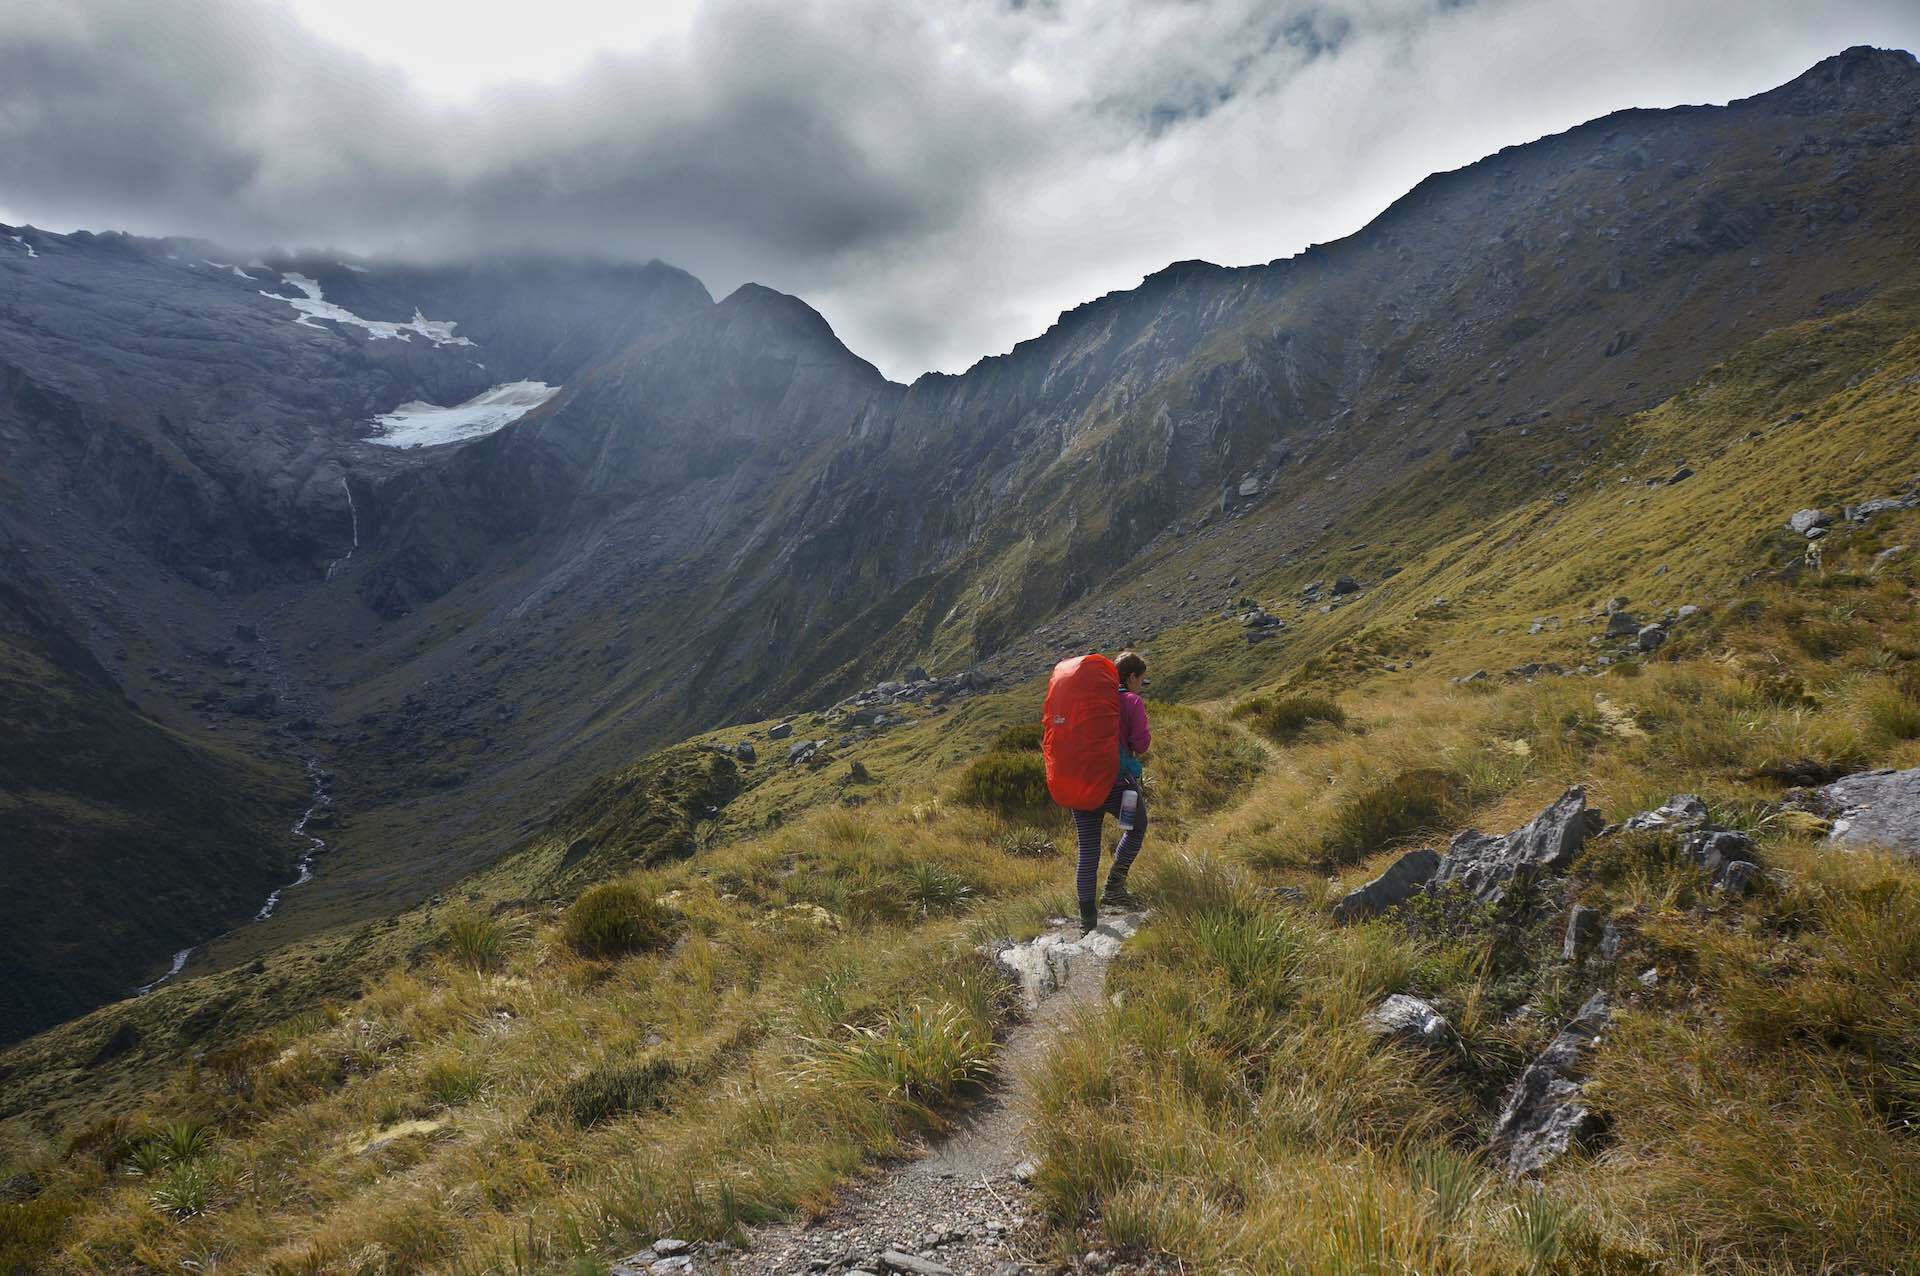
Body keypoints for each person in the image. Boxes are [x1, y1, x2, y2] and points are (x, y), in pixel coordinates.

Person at [1073, 650, 1150, 933]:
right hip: (1119, 787)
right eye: (1141, 679)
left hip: (1082, 788)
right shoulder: (1130, 701)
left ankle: (1087, 922)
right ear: (1131, 677)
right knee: (1135, 827)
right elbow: (1141, 745)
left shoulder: (1086, 702)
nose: (1141, 684)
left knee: (1088, 853)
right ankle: (1115, 888)